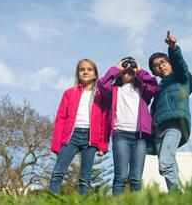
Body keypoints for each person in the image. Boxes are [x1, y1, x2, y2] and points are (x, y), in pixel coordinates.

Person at [98, 57, 159, 195]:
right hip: (121, 135)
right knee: (121, 176)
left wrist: (141, 71)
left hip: (139, 137)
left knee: (136, 178)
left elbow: (154, 87)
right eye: (125, 67)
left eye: (131, 68)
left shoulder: (142, 90)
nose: (128, 70)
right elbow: (101, 85)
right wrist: (116, 69)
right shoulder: (113, 89)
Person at [49, 59, 109, 195]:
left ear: (95, 74)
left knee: (85, 178)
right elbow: (60, 119)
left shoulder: (102, 95)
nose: (85, 71)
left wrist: (103, 144)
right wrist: (56, 144)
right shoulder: (69, 93)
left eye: (89, 69)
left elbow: (105, 120)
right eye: (82, 69)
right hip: (71, 136)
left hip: (90, 137)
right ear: (78, 73)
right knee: (58, 172)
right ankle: (51, 200)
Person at [148, 31, 192, 192]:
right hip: (158, 130)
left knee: (165, 163)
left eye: (163, 62)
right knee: (170, 164)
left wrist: (173, 48)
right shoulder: (157, 89)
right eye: (156, 66)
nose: (160, 66)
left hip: (174, 126)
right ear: (154, 72)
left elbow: (181, 65)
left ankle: (176, 195)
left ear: (170, 63)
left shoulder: (181, 78)